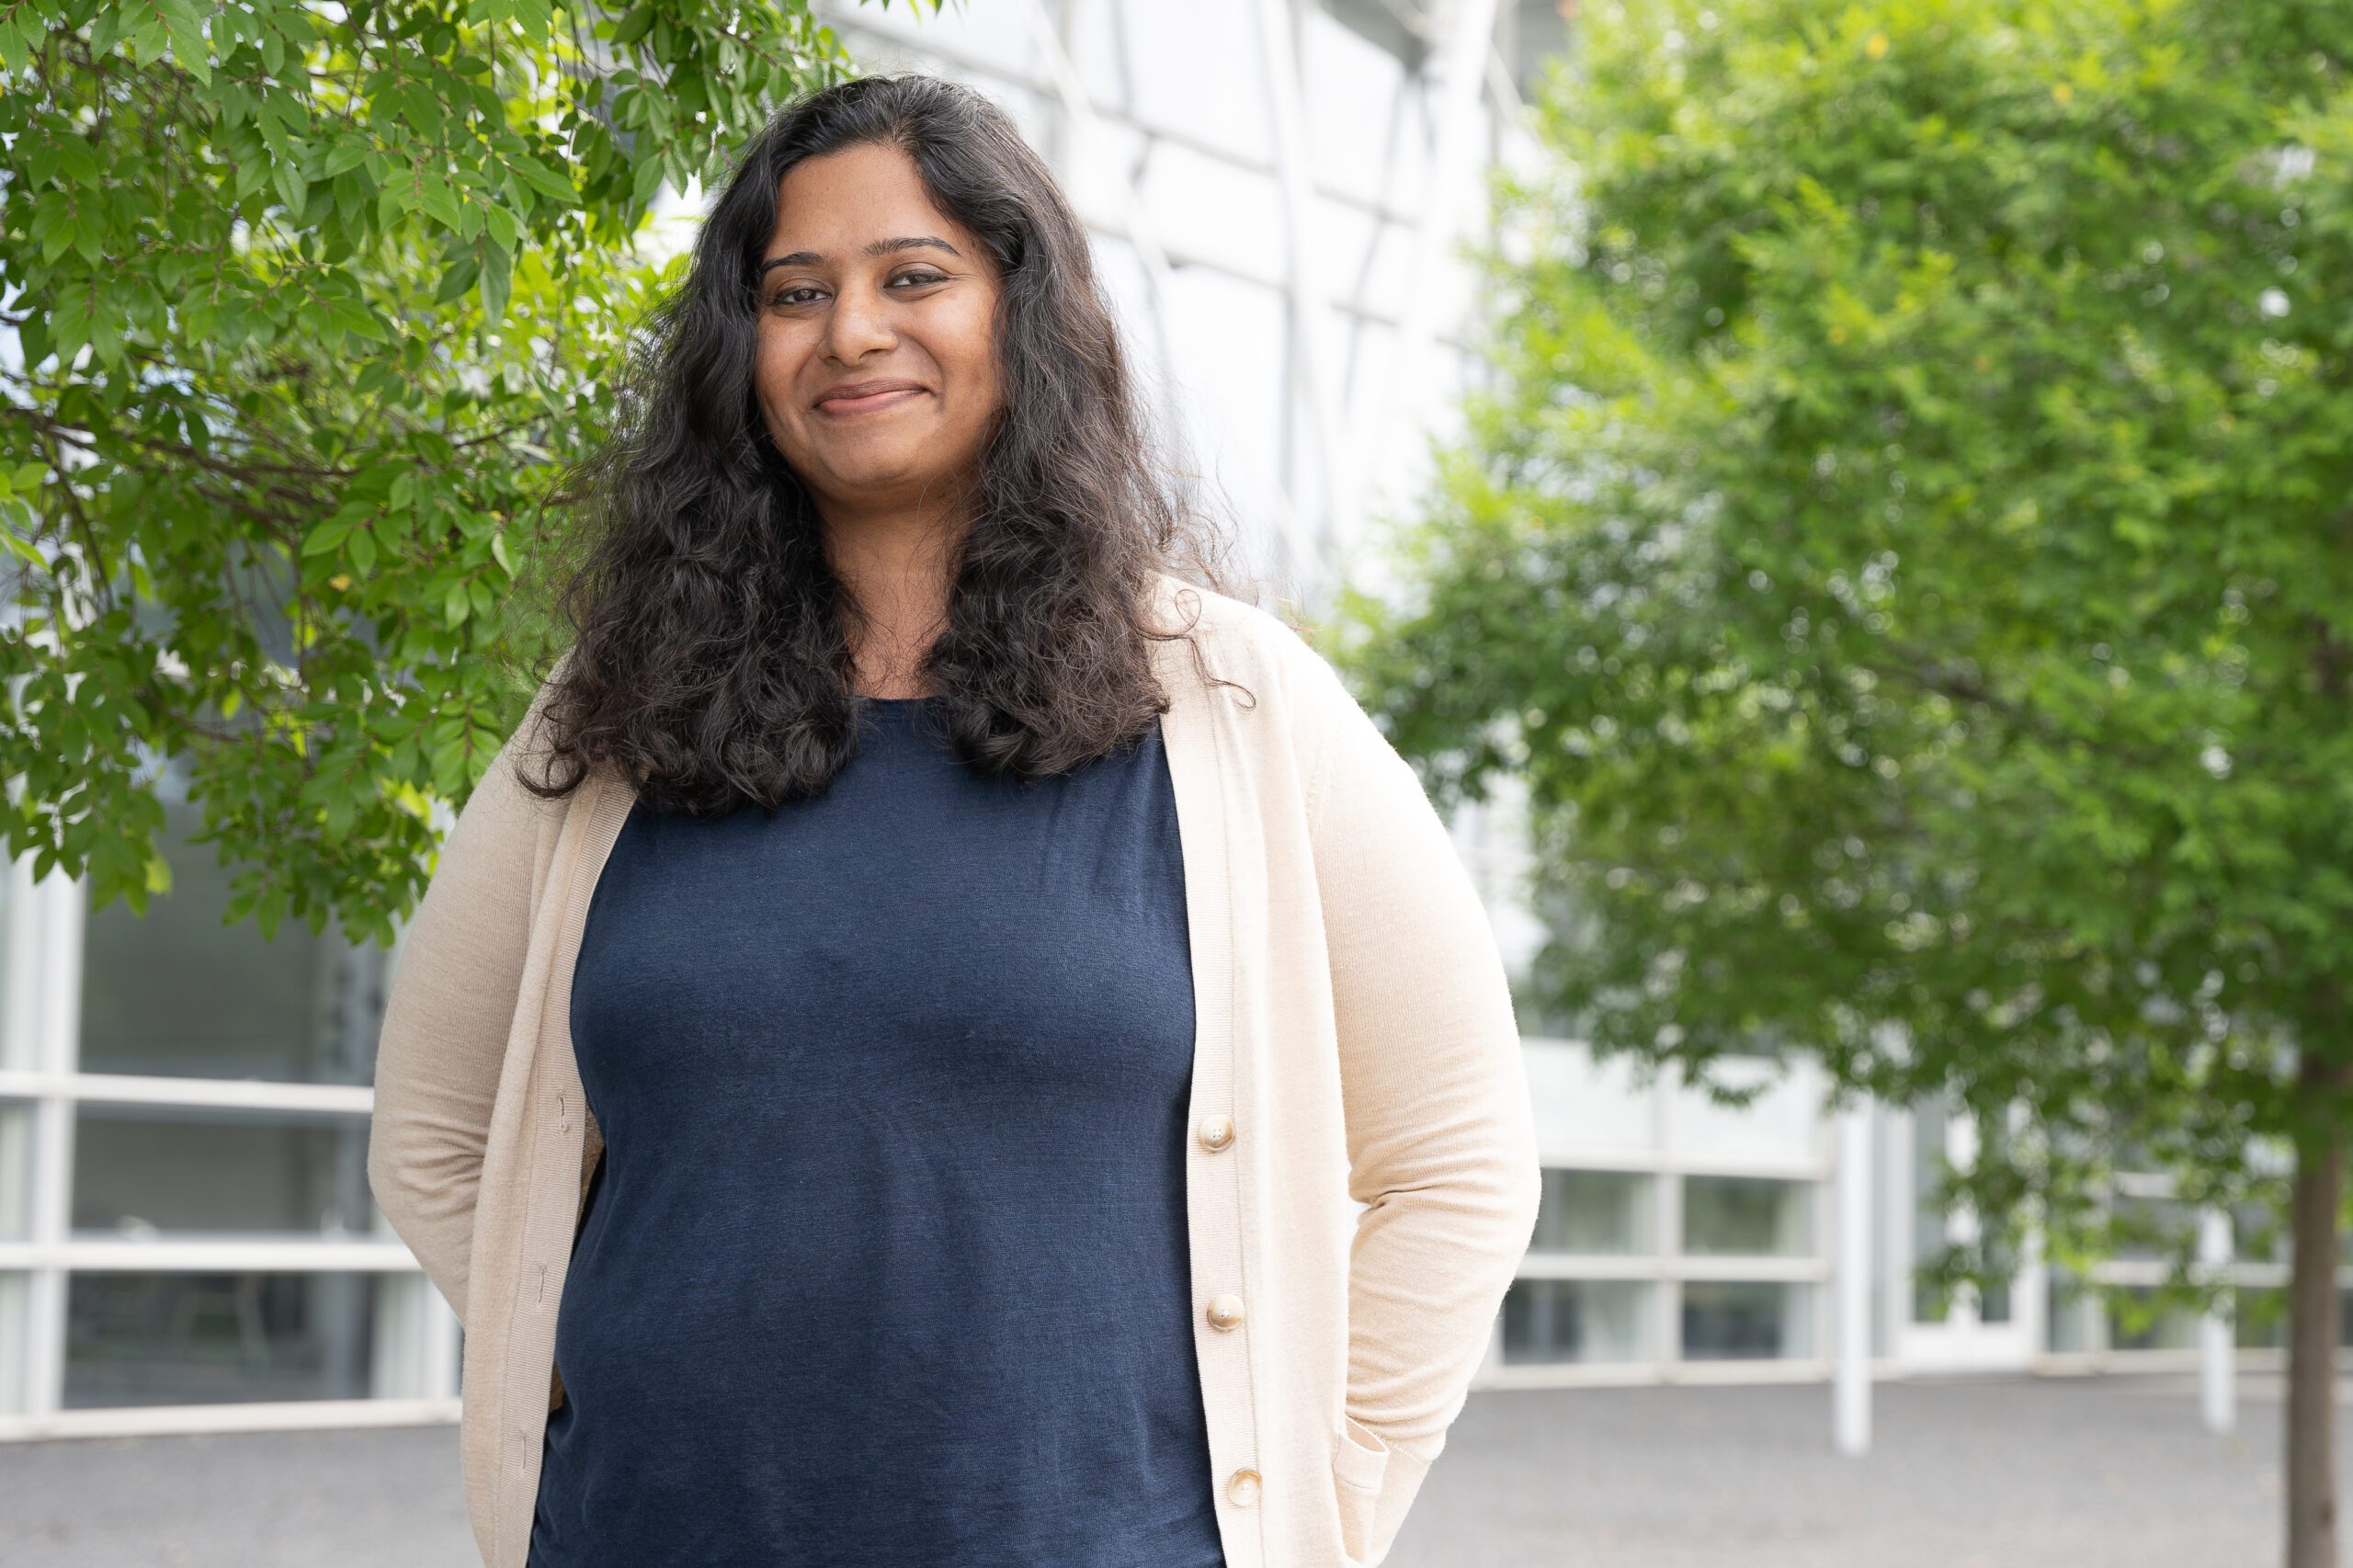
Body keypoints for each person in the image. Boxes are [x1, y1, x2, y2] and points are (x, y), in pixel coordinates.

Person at [365, 72, 1540, 1568]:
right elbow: (439, 1136)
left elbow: (1458, 1155)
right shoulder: (614, 717)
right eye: (796, 292)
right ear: (744, 353)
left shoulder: (1237, 704)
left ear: (1022, 314)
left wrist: (1326, 1496)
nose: (852, 331)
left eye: (914, 275)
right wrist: (607, 1352)